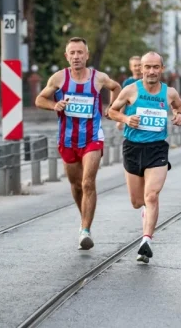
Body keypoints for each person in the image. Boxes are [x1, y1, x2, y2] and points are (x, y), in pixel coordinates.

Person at [35, 37, 122, 250]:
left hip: (92, 138)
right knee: (75, 185)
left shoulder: (98, 78)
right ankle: (84, 216)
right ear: (67, 56)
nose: (76, 57)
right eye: (72, 53)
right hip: (67, 140)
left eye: (80, 52)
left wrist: (112, 108)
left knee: (88, 183)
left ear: (87, 55)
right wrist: (55, 105)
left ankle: (85, 229)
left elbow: (116, 86)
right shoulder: (59, 78)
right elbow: (39, 100)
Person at [107, 52, 181, 263]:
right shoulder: (131, 89)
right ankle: (145, 214)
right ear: (141, 69)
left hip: (157, 148)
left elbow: (180, 108)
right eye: (147, 67)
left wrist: (180, 116)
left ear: (162, 69)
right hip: (133, 147)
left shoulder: (169, 92)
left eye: (155, 67)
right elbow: (111, 111)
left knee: (151, 196)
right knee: (137, 201)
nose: (151, 71)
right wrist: (125, 117)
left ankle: (146, 240)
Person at [117, 56, 143, 130]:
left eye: (139, 65)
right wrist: (120, 119)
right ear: (131, 67)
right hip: (131, 116)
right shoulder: (127, 83)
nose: (137, 68)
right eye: (135, 66)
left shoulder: (148, 82)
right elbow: (123, 101)